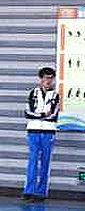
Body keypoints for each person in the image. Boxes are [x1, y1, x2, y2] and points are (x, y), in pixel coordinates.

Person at [23, 67, 60, 203]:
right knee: (33, 160)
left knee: (45, 161)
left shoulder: (55, 95)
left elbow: (54, 115)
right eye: (45, 78)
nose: (48, 81)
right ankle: (29, 190)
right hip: (33, 130)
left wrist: (38, 115)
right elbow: (28, 113)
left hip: (49, 131)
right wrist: (43, 114)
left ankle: (41, 192)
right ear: (41, 79)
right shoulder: (33, 93)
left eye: (50, 78)